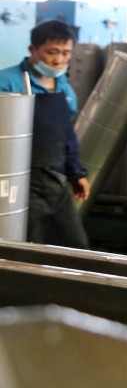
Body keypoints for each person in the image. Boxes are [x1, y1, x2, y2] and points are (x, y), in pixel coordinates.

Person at [0, 20, 90, 248]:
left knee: (74, 248)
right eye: (52, 52)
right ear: (33, 50)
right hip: (21, 184)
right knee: (26, 249)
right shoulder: (7, 82)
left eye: (66, 53)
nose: (59, 60)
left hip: (56, 183)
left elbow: (66, 135)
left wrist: (76, 173)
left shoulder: (64, 87)